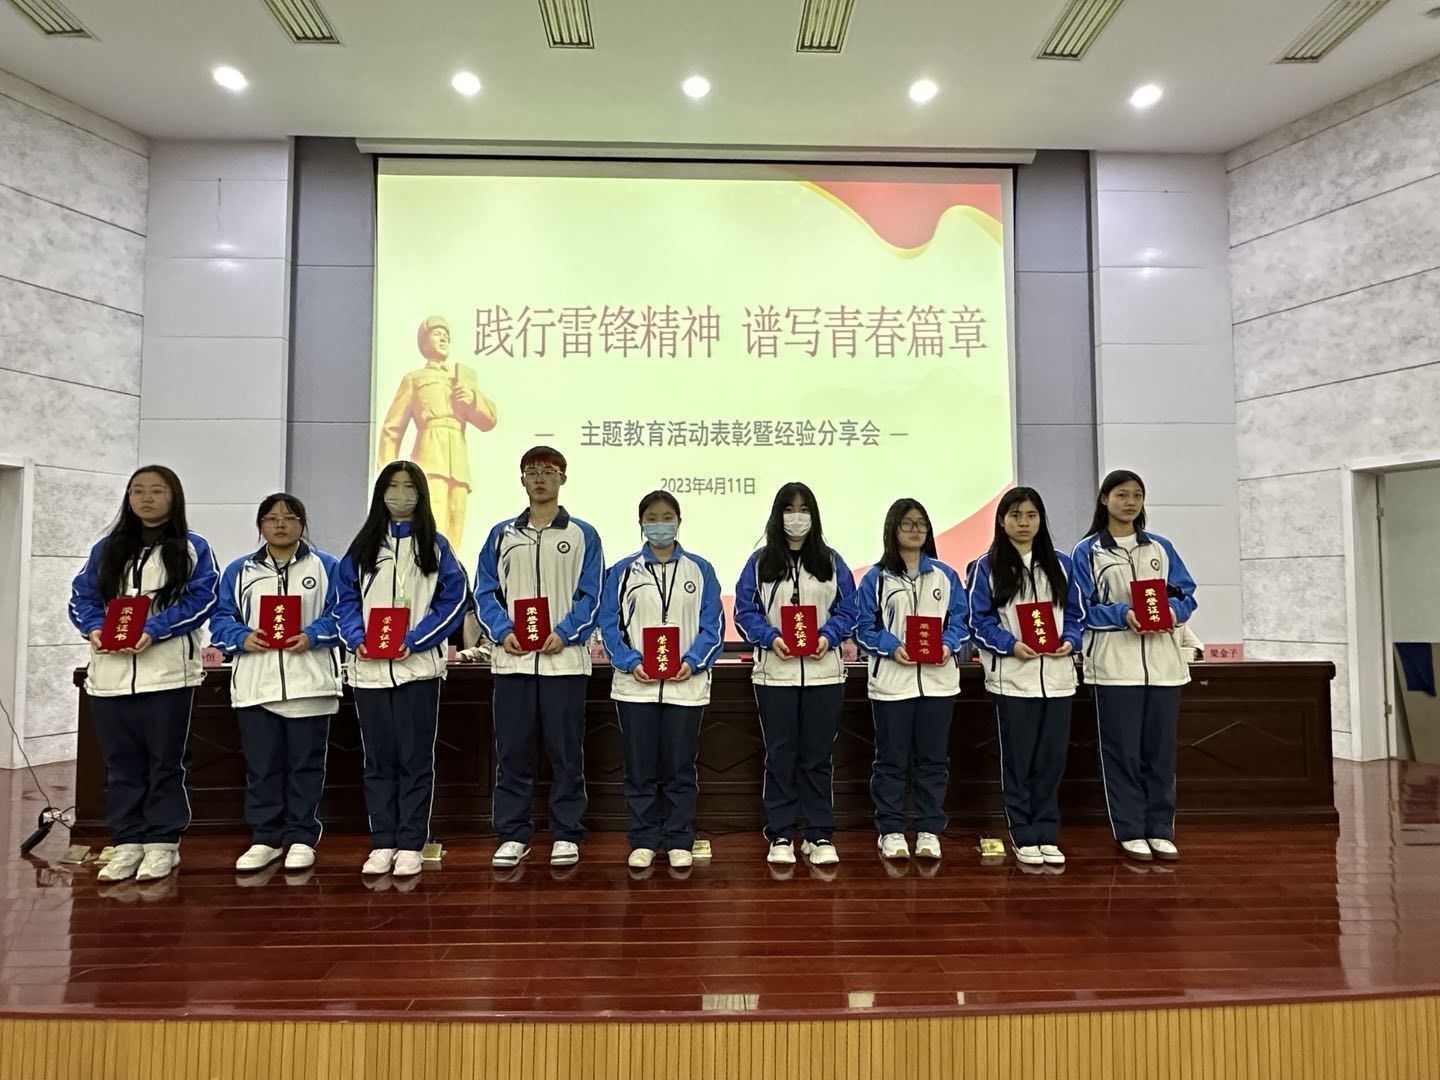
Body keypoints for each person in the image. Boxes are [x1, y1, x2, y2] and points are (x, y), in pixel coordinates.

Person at [67, 466, 219, 883]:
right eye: (137, 491)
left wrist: (154, 629)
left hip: (167, 675)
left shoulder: (192, 548)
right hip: (110, 676)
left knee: (165, 761)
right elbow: (82, 597)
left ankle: (162, 843)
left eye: (156, 491)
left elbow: (202, 600)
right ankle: (128, 841)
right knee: (121, 763)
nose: (146, 498)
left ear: (174, 497)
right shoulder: (107, 549)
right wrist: (94, 629)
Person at [334, 462, 469, 878]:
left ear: (421, 494)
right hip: (369, 670)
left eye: (409, 487)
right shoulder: (363, 546)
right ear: (381, 493)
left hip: (417, 671)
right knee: (378, 760)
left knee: (415, 758)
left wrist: (417, 638)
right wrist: (356, 636)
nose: (400, 495)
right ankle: (383, 841)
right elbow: (344, 600)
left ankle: (410, 842)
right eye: (392, 487)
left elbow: (455, 599)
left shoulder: (435, 545)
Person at [475, 446, 604, 869]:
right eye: (532, 472)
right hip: (513, 662)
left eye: (549, 471)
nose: (540, 479)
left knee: (565, 752)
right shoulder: (501, 535)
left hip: (563, 663)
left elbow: (592, 594)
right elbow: (485, 591)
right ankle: (513, 833)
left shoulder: (583, 534)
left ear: (563, 478)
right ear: (522, 480)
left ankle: (566, 832)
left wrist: (565, 633)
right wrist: (503, 631)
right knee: (512, 752)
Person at [208, 494, 342, 873]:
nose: (280, 524)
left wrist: (313, 635)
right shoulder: (240, 570)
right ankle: (265, 838)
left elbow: (342, 613)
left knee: (306, 767)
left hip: (310, 684)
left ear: (302, 523)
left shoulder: (327, 566)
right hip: (256, 685)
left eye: (289, 517)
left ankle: (301, 837)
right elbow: (220, 618)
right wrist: (242, 637)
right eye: (271, 518)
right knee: (262, 768)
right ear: (260, 526)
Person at [1071, 469, 1198, 862]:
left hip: (1163, 667)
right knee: (1121, 752)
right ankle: (1129, 829)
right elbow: (1080, 609)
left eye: (1137, 495)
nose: (1130, 502)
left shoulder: (1160, 547)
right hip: (1114, 667)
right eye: (1122, 495)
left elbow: (1186, 595)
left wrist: (1171, 613)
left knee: (1160, 753)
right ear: (1104, 499)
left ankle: (1160, 829)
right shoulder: (1087, 551)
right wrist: (1122, 614)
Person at [597, 491, 724, 869]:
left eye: (667, 517)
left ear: (679, 522)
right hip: (635, 687)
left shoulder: (700, 569)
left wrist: (693, 661)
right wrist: (628, 661)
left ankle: (679, 837)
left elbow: (712, 625)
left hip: (685, 685)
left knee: (680, 767)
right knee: (639, 768)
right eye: (652, 517)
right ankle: (643, 838)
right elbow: (609, 624)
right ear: (641, 524)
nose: (660, 524)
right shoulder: (623, 571)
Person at [734, 482, 856, 867]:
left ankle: (819, 834)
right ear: (778, 515)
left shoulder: (832, 562)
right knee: (781, 755)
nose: (797, 517)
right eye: (789, 509)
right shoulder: (760, 562)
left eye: (804, 509)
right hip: (775, 675)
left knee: (818, 758)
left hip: (824, 675)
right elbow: (744, 612)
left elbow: (849, 610)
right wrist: (770, 637)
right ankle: (782, 833)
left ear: (813, 516)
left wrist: (828, 636)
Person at [966, 488, 1084, 867]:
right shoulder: (986, 567)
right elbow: (978, 622)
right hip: (1013, 679)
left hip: (1058, 679)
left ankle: (1047, 831)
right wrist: (1010, 645)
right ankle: (1022, 832)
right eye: (1015, 515)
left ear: (1040, 520)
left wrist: (1070, 640)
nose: (1024, 523)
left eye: (1031, 515)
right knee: (1019, 760)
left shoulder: (1061, 564)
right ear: (1002, 521)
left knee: (1052, 759)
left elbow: (1077, 615)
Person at [852, 498, 968, 861]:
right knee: (891, 760)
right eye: (907, 523)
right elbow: (863, 627)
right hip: (892, 684)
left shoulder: (945, 575)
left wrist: (948, 645)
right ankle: (890, 830)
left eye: (921, 524)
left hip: (938, 683)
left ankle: (929, 829)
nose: (916, 530)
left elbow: (961, 621)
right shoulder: (876, 578)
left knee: (933, 760)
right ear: (892, 529)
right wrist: (891, 647)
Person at [376, 314, 499, 547]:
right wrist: (387, 476)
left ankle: (451, 568)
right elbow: (392, 429)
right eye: (437, 334)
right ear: (424, 342)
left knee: (455, 527)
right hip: (430, 457)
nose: (443, 339)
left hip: (459, 462)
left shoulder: (461, 379)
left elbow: (488, 420)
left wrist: (472, 400)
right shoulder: (414, 379)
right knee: (433, 523)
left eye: (446, 336)